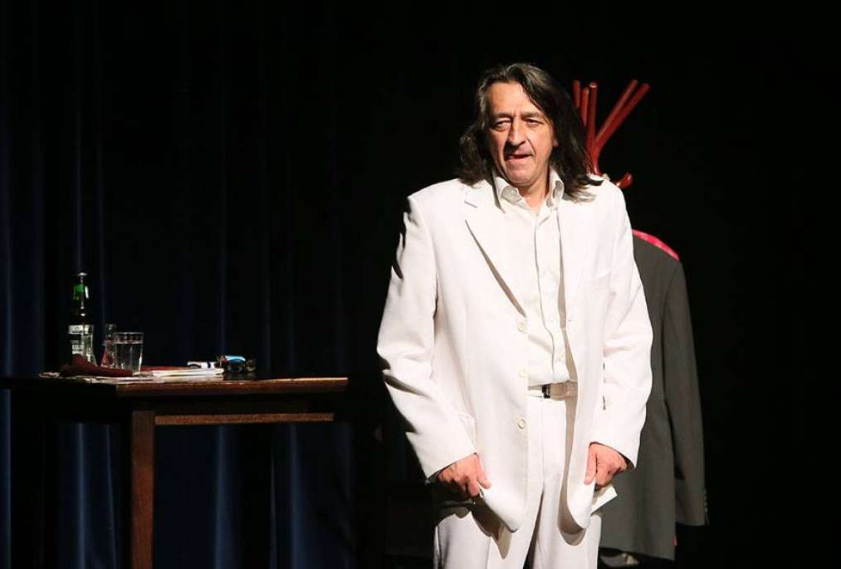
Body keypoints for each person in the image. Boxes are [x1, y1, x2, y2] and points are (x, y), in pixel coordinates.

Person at [377, 62, 653, 568]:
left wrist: (614, 435)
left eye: (531, 121)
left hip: (575, 451)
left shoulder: (602, 205)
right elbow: (402, 351)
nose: (516, 137)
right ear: (484, 133)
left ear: (556, 131)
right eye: (501, 122)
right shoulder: (435, 213)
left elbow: (628, 333)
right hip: (481, 454)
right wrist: (446, 449)